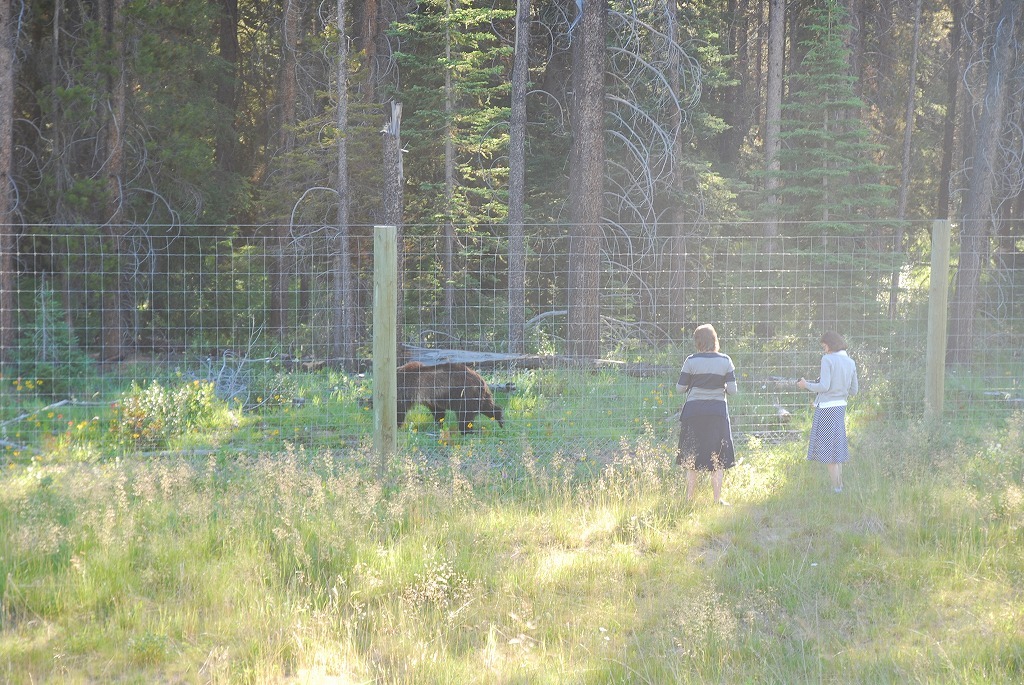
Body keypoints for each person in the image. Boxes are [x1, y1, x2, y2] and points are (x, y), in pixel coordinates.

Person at [676, 324, 737, 506]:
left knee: (690, 457)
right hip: (717, 413)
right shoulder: (726, 360)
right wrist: (722, 386)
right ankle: (717, 500)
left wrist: (693, 384)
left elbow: (680, 389)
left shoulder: (691, 361)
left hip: (694, 413)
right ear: (714, 340)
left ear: (698, 342)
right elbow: (733, 391)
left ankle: (689, 499)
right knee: (717, 458)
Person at [797, 331, 859, 493]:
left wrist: (806, 385)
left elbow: (824, 386)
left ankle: (837, 489)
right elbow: (854, 390)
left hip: (826, 410)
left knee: (829, 453)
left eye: (825, 346)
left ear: (830, 345)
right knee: (836, 448)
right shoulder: (851, 362)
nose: (824, 350)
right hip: (840, 408)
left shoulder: (828, 359)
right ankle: (839, 485)